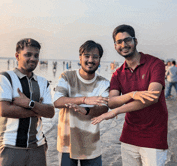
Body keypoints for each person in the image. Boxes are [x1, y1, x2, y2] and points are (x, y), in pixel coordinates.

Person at [92, 24, 168, 166]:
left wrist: (117, 111)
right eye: (119, 42)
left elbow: (152, 97)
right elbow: (112, 101)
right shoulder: (118, 74)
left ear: (135, 41)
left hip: (154, 136)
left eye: (127, 40)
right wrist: (132, 94)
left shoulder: (155, 64)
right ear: (115, 46)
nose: (123, 45)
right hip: (129, 136)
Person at [0, 38, 55, 166]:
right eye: (28, 54)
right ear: (17, 56)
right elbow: (4, 110)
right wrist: (38, 109)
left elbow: (50, 112)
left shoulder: (43, 82)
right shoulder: (6, 78)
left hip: (37, 146)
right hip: (10, 145)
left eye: (36, 55)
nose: (33, 58)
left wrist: (29, 103)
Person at [54, 40, 109, 166]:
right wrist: (84, 100)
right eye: (87, 56)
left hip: (91, 145)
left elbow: (104, 108)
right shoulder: (67, 77)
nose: (91, 60)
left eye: (95, 57)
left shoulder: (103, 83)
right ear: (80, 57)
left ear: (99, 60)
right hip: (66, 144)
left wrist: (87, 110)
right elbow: (57, 101)